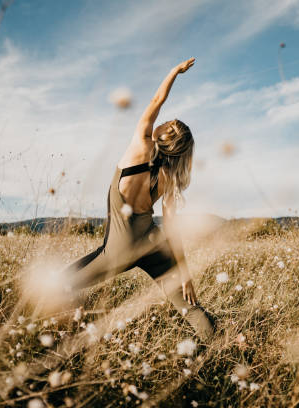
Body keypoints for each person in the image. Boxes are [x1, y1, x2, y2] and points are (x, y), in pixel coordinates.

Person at [65, 57, 214, 341]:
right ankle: (217, 343)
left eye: (168, 122)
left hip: (119, 248)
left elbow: (158, 98)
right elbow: (171, 229)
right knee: (188, 305)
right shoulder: (170, 180)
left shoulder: (140, 143)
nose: (164, 120)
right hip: (151, 242)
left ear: (166, 133)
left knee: (60, 284)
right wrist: (185, 274)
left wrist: (174, 72)